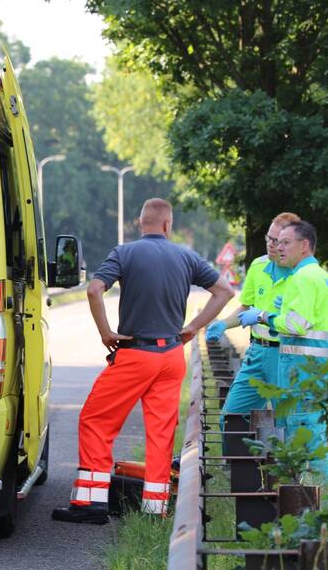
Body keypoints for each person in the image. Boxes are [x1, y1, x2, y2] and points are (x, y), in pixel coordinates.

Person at [52, 199, 234, 523]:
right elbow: (224, 292)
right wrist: (193, 327)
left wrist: (106, 332)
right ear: (168, 224)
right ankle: (155, 509)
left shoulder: (124, 253)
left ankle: (91, 504)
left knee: (96, 420)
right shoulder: (187, 256)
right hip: (172, 356)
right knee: (161, 433)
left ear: (141, 224)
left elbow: (95, 290)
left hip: (136, 355)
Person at [238, 220, 328, 480]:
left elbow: (296, 325)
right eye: (276, 241)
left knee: (303, 431)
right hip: (322, 368)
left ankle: (315, 495)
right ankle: (316, 493)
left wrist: (264, 316)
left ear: (305, 246)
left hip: (302, 369)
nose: (279, 247)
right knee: (313, 430)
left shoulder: (302, 278)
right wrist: (281, 312)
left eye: (286, 242)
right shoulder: (323, 277)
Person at [206, 213, 299, 420]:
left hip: (285, 355)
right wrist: (223, 324)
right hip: (257, 353)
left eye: (277, 241)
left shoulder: (301, 275)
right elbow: (246, 308)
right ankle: (237, 453)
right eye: (269, 238)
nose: (271, 245)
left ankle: (272, 454)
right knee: (231, 417)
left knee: (285, 423)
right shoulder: (258, 266)